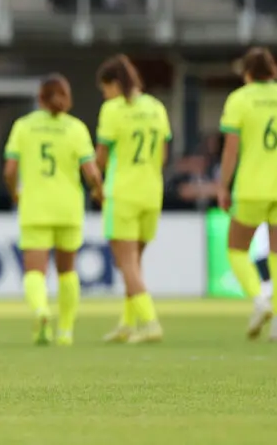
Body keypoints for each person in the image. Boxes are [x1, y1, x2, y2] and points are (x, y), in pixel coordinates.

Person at [217, 47, 277, 342]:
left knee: (236, 250)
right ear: (274, 70)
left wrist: (223, 185)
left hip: (252, 187)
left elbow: (231, 149)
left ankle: (259, 301)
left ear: (247, 73)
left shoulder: (239, 99)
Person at [4, 74, 103, 346]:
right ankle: (66, 331)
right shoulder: (76, 128)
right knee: (67, 271)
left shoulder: (24, 126)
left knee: (35, 272)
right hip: (69, 208)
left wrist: (14, 193)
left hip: (35, 206)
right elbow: (92, 172)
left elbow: (10, 170)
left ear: (39, 98)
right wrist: (99, 192)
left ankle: (41, 311)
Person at [95, 54, 170, 344]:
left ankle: (150, 322)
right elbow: (162, 155)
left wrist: (97, 183)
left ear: (114, 84)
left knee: (125, 263)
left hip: (122, 193)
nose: (105, 95)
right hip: (152, 192)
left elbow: (101, 157)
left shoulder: (113, 110)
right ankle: (127, 323)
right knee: (135, 262)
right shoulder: (156, 107)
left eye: (105, 89)